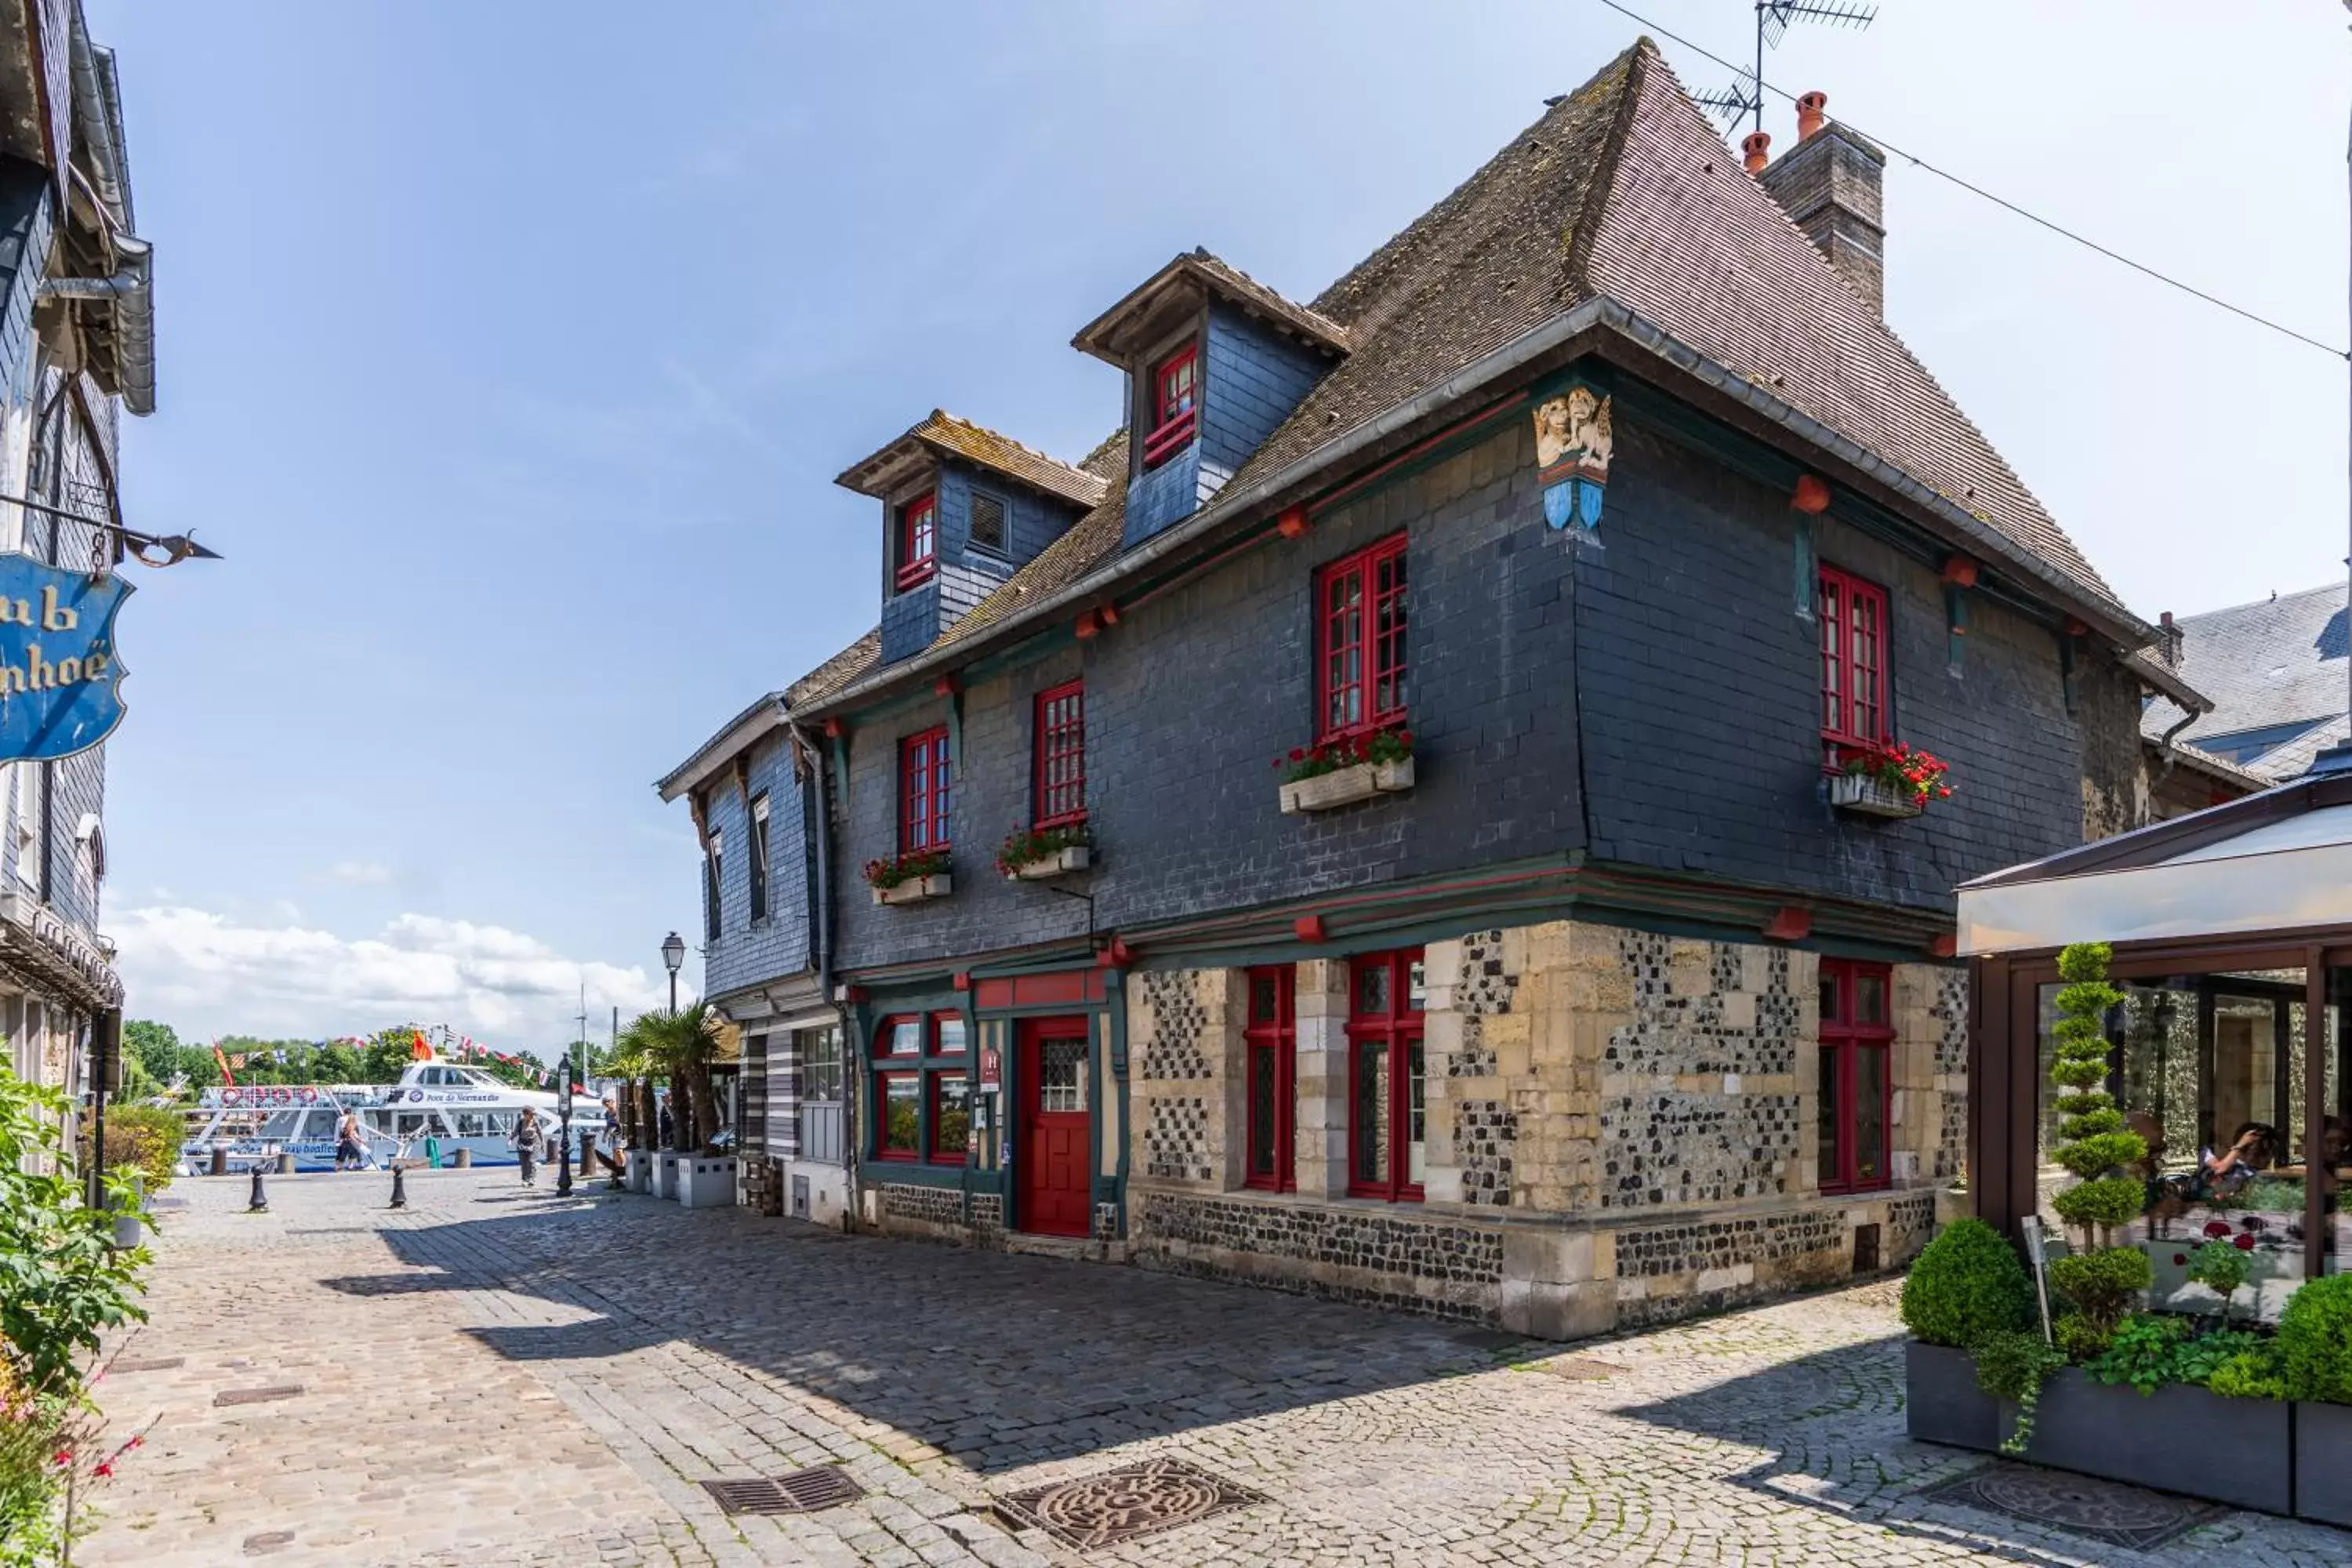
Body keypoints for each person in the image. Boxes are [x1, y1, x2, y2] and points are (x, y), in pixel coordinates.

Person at [513, 1110, 543, 1186]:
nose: (533, 1116)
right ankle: (525, 1179)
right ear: (525, 1114)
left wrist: (543, 1144)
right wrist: (510, 1139)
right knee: (524, 1162)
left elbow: (540, 1133)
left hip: (534, 1142)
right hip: (523, 1143)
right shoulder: (520, 1122)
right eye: (531, 1114)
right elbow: (515, 1132)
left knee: (531, 1161)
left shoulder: (535, 1122)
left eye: (534, 1115)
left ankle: (532, 1179)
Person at [335, 1109, 366, 1173]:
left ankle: (339, 1168)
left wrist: (338, 1140)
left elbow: (342, 1133)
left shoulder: (343, 1123)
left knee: (343, 1154)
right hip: (350, 1142)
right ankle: (361, 1166)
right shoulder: (350, 1126)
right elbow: (352, 1135)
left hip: (344, 1141)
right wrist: (359, 1141)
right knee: (357, 1152)